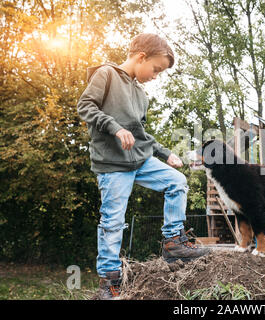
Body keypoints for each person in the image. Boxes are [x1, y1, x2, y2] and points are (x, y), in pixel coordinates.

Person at [77, 33, 210, 300]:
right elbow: (85, 106)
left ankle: (173, 242)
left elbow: (141, 135)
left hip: (140, 160)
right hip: (113, 164)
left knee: (177, 181)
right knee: (113, 221)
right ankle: (109, 281)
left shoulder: (140, 93)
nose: (156, 75)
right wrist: (115, 128)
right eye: (156, 69)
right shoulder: (106, 74)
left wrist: (165, 152)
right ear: (141, 57)